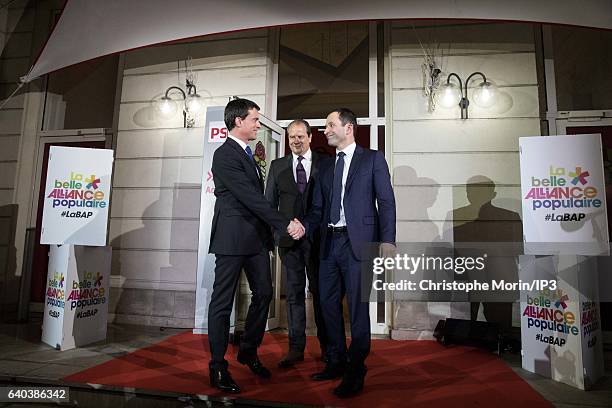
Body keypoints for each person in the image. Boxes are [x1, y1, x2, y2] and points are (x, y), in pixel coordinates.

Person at [207, 98, 303, 394]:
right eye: (254, 120)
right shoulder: (224, 155)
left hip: (254, 239)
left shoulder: (249, 154)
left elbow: (256, 199)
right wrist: (284, 223)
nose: (258, 124)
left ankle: (248, 350)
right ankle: (218, 366)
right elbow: (251, 197)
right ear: (238, 122)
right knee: (222, 303)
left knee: (264, 293)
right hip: (232, 238)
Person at [299, 108, 396, 398]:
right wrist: (303, 227)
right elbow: (317, 210)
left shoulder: (373, 159)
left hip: (360, 244)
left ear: (349, 127)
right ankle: (336, 360)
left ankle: (356, 369)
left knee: (357, 309)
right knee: (327, 306)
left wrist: (388, 240)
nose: (325, 130)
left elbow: (386, 201)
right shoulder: (325, 167)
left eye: (330, 125)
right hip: (329, 244)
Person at [265, 119, 328, 367]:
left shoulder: (326, 164)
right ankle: (295, 348)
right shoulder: (277, 166)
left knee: (321, 294)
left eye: (300, 136)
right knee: (293, 296)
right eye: (292, 136)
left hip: (317, 242)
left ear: (311, 137)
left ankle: (327, 346)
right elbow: (269, 205)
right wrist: (279, 231)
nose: (296, 140)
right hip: (288, 242)